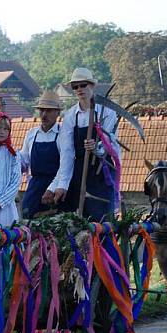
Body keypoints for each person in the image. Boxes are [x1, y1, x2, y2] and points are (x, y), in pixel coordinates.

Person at [52, 67, 121, 221]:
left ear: (91, 85)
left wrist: (97, 147)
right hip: (80, 171)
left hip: (101, 171)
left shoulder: (107, 112)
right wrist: (62, 184)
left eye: (83, 85)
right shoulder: (70, 116)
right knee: (74, 219)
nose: (79, 89)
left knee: (101, 219)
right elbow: (67, 151)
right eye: (75, 87)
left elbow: (111, 142)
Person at [20, 90, 62, 219]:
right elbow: (24, 161)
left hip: (56, 187)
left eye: (48, 111)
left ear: (57, 113)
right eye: (42, 110)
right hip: (35, 186)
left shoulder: (63, 134)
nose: (44, 114)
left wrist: (52, 189)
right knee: (27, 219)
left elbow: (66, 167)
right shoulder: (32, 134)